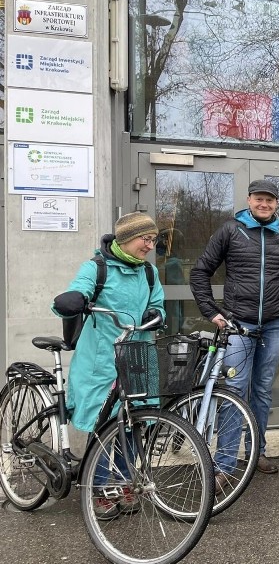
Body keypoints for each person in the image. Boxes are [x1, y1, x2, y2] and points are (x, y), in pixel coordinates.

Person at [190, 179, 279, 482]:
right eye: (259, 199)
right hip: (237, 324)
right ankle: (225, 463)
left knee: (261, 389)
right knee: (235, 389)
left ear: (277, 204)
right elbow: (200, 272)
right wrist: (212, 312)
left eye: (270, 200)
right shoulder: (231, 230)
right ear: (249, 200)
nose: (264, 204)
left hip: (274, 323)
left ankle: (257, 451)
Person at [52, 212, 166, 519]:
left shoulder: (149, 273)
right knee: (103, 426)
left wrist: (154, 314)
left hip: (137, 356)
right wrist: (74, 298)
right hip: (101, 359)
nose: (150, 245)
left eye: (153, 239)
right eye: (146, 239)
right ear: (127, 238)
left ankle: (124, 482)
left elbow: (158, 304)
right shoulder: (97, 268)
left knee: (132, 424)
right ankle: (98, 487)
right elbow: (81, 288)